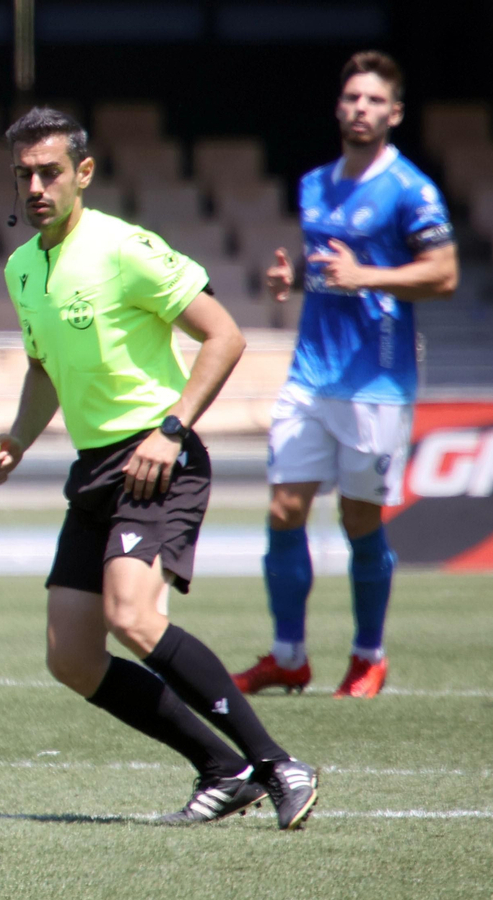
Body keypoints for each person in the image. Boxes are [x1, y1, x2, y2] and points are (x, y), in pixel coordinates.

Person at [0, 108, 318, 828]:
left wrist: (171, 430)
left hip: (158, 457)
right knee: (72, 658)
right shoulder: (21, 267)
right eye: (24, 175)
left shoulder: (124, 248)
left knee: (132, 617)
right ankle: (223, 770)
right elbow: (42, 369)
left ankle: (277, 763)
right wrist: (18, 437)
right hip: (95, 470)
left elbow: (225, 337)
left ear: (83, 173)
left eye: (49, 173)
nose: (35, 188)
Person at [233, 51, 458, 699]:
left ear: (395, 113)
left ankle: (368, 656)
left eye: (375, 100)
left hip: (375, 382)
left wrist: (369, 277)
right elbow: (330, 267)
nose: (362, 108)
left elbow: (443, 274)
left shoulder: (411, 189)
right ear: (338, 106)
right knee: (284, 508)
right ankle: (288, 656)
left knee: (359, 519)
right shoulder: (313, 184)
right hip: (310, 376)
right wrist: (293, 279)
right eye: (353, 97)